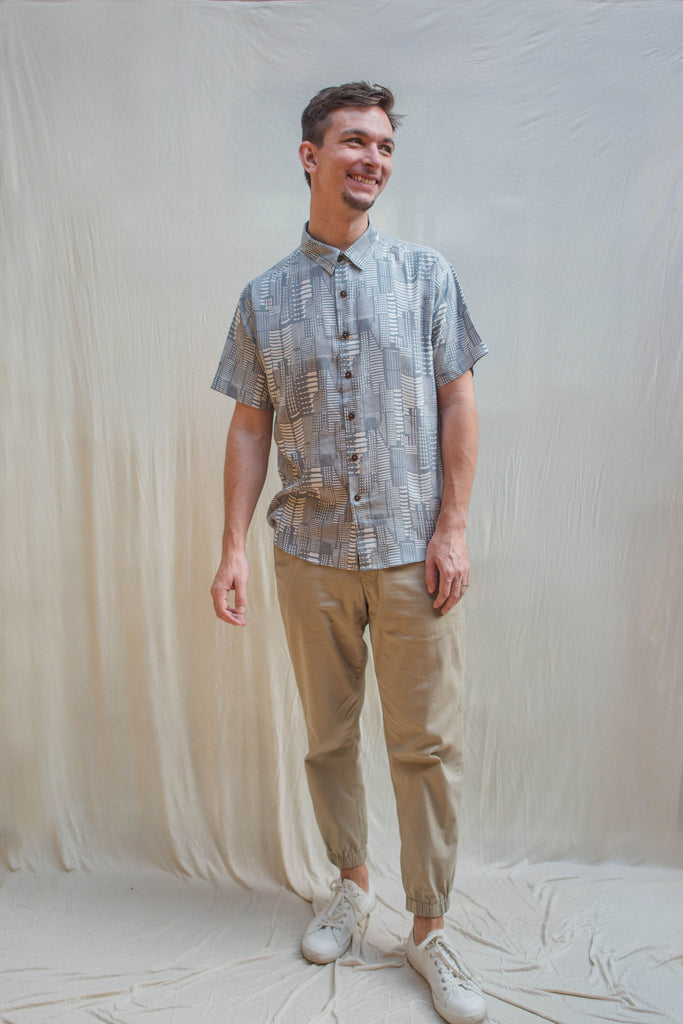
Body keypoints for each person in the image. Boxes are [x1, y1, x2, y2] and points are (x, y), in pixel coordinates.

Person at [211, 82, 488, 1024]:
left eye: (383, 145)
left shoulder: (425, 276)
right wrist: (232, 548)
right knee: (328, 738)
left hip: (412, 554)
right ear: (309, 155)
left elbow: (459, 400)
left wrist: (451, 528)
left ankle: (429, 929)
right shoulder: (263, 298)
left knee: (426, 745)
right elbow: (250, 427)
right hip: (311, 554)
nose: (372, 158)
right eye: (354, 142)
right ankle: (350, 884)